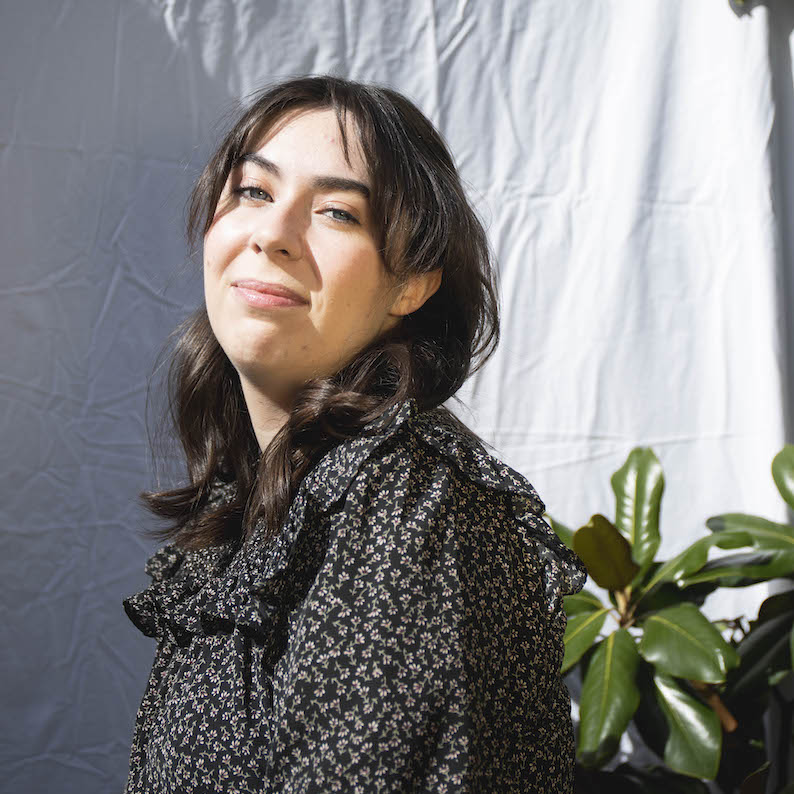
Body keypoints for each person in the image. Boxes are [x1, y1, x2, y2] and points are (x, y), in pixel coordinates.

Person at [122, 74, 586, 794]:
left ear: (413, 283)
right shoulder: (272, 491)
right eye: (253, 192)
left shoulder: (409, 508)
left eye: (336, 213)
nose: (272, 234)